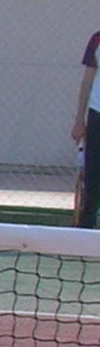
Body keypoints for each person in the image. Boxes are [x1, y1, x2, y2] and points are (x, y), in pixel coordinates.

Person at [73, 31, 100, 228]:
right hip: (97, 114)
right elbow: (87, 82)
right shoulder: (97, 39)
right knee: (93, 176)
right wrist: (79, 121)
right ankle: (86, 229)